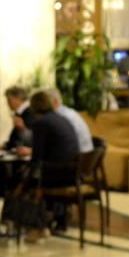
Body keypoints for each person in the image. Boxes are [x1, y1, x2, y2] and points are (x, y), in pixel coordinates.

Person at [16, 90, 81, 243]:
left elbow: (37, 157)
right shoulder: (62, 119)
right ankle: (44, 224)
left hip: (56, 174)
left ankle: (35, 226)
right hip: (72, 173)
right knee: (29, 179)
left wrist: (25, 176)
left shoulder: (41, 124)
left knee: (22, 181)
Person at [48, 89, 94, 153]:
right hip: (87, 155)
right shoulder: (68, 112)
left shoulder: (60, 116)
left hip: (79, 156)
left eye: (44, 102)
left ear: (55, 101)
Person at [2, 85, 34, 152]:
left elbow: (32, 139)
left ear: (19, 98)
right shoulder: (20, 113)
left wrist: (22, 129)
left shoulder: (29, 112)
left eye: (9, 100)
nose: (8, 103)